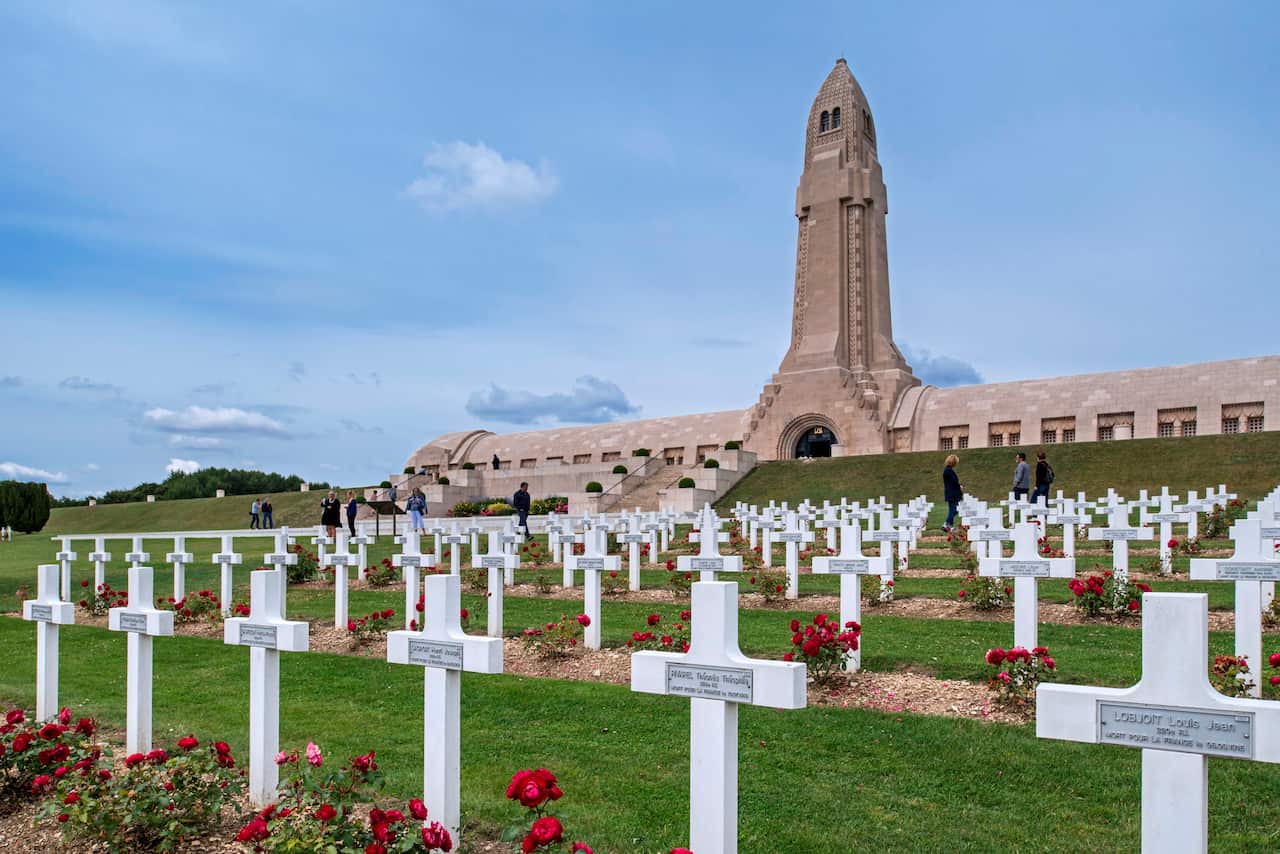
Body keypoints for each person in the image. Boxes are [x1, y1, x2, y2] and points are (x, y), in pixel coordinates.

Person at [942, 455, 963, 532]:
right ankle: (946, 524)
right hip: (953, 494)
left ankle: (949, 525)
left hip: (951, 493)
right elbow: (954, 482)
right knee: (954, 509)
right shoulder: (949, 471)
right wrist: (959, 486)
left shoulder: (948, 470)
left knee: (953, 509)